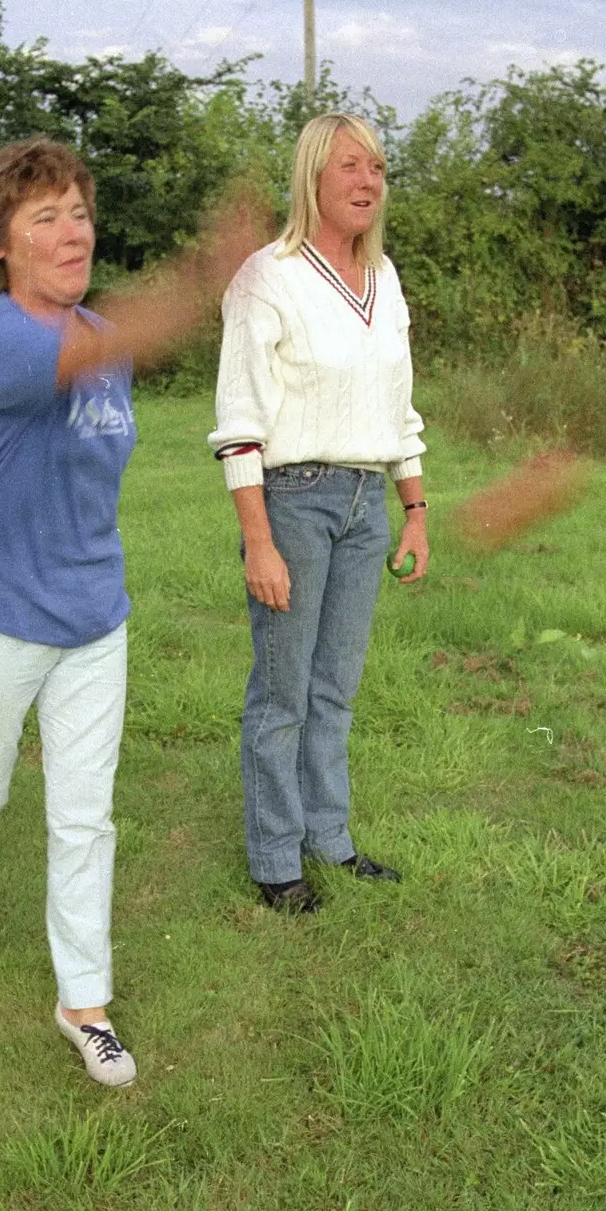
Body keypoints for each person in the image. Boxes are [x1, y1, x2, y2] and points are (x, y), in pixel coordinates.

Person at [0, 135, 259, 1084]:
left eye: (78, 212)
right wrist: (204, 276)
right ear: (0, 246)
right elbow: (127, 343)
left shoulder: (97, 336)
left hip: (93, 619)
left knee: (85, 817)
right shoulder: (8, 343)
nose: (72, 234)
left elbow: (112, 366)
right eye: (44, 219)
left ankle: (85, 1004)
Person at [209, 113, 428, 913]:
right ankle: (275, 860)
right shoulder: (265, 278)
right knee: (282, 692)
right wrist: (258, 540)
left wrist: (414, 508)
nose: (367, 182)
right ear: (312, 178)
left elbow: (398, 408)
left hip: (370, 502)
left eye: (376, 168)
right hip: (294, 500)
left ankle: (328, 838)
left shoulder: (386, 278)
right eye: (349, 167)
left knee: (335, 686)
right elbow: (238, 424)